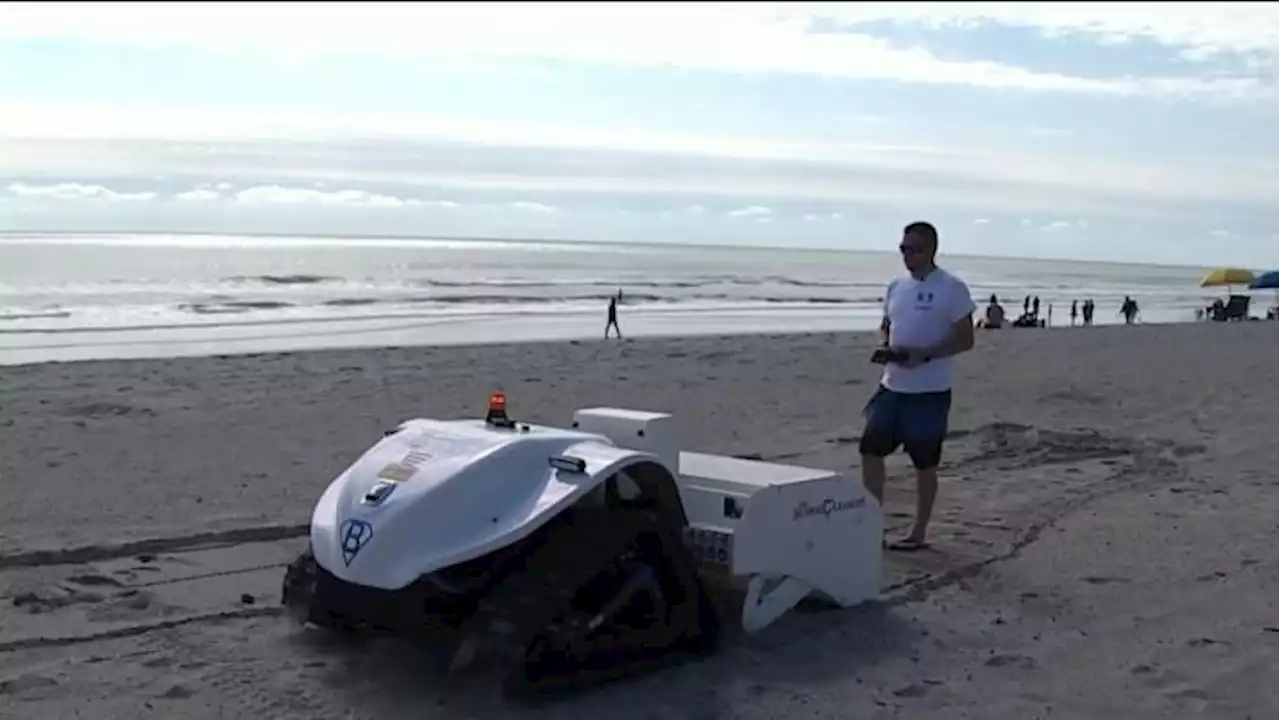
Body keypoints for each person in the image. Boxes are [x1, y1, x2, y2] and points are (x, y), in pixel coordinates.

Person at [860, 221, 976, 552]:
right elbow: (885, 325)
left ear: (931, 250)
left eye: (915, 249)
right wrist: (886, 346)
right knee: (870, 450)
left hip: (929, 391)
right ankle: (873, 523)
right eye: (903, 249)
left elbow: (966, 338)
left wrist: (925, 355)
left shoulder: (951, 287)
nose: (908, 256)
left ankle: (918, 531)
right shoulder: (896, 286)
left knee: (924, 462)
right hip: (892, 385)